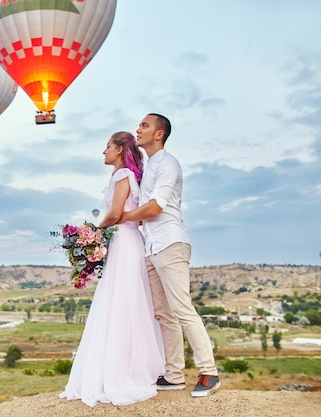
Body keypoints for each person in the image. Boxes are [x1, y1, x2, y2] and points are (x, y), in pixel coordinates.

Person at [59, 132, 165, 407]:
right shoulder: (130, 176)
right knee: (128, 302)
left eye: (107, 146)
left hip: (123, 240)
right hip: (129, 241)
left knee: (119, 303)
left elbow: (116, 213)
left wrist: (93, 231)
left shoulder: (121, 176)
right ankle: (131, 367)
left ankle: (119, 372)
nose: (102, 151)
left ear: (119, 149)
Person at [119, 113, 220, 397]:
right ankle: (174, 375)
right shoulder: (149, 167)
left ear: (159, 134)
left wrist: (121, 218)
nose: (137, 129)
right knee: (164, 314)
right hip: (151, 247)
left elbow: (154, 208)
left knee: (182, 309)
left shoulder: (168, 164)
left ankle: (209, 372)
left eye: (144, 125)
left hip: (170, 243)